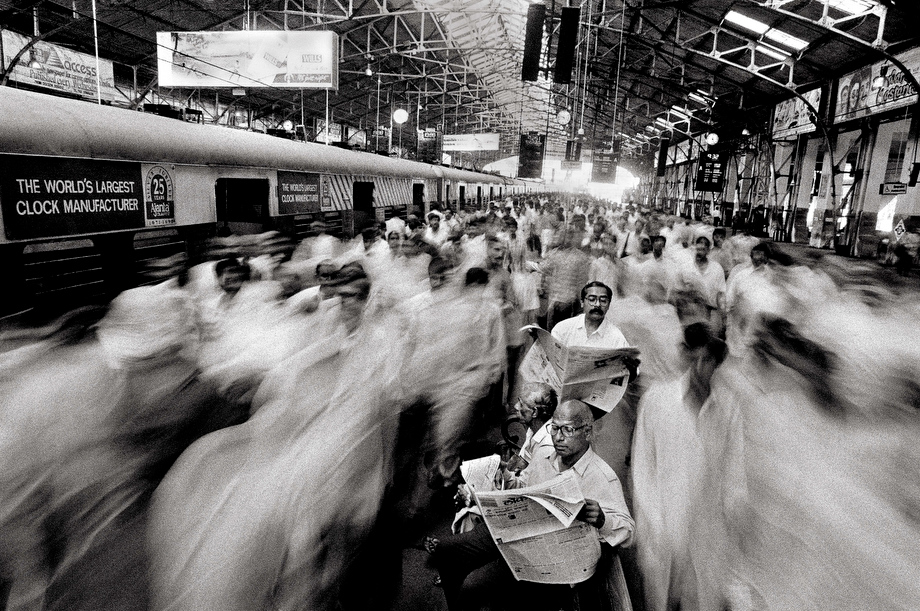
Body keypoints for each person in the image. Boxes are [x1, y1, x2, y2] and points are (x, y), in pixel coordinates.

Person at [428, 399, 635, 611]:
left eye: (568, 430)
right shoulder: (545, 455)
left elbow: (628, 531)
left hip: (550, 559)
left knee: (476, 587)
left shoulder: (602, 477)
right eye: (554, 428)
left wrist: (602, 519)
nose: (558, 437)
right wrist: (506, 476)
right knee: (449, 552)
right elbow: (524, 485)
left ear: (588, 432)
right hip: (519, 533)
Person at [551, 281, 630, 349]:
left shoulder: (617, 338)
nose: (597, 304)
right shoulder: (562, 329)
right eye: (592, 300)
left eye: (603, 300)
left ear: (608, 305)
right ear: (582, 302)